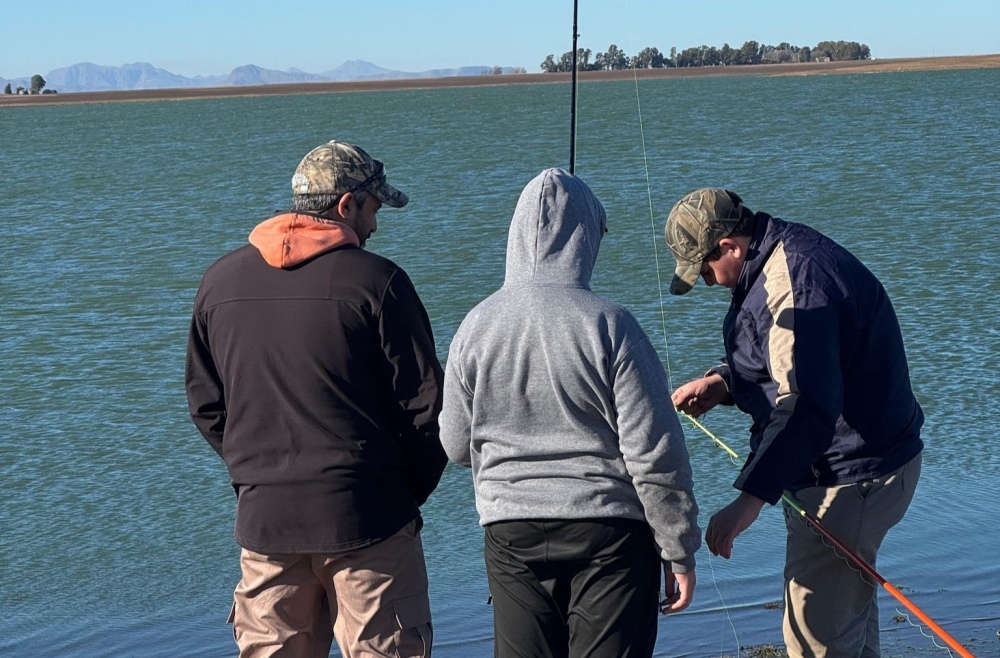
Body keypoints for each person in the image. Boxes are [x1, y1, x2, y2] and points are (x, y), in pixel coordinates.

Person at [185, 140, 446, 658]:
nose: (375, 225)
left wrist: (256, 471)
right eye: (373, 209)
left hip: (266, 523)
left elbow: (206, 404)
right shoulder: (380, 283)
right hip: (369, 521)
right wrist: (397, 495)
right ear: (347, 205)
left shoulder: (219, 282)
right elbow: (429, 412)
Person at [440, 168, 701, 658]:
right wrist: (677, 549)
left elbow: (455, 445)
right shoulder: (612, 324)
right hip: (610, 535)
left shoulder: (474, 325)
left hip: (509, 530)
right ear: (586, 238)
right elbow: (654, 453)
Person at [666, 188, 923, 658]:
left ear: (729, 247)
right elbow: (784, 354)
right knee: (845, 625)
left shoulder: (797, 280)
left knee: (815, 644)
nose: (707, 282)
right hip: (860, 466)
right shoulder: (773, 261)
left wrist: (747, 502)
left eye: (704, 270)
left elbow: (807, 405)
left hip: (851, 478)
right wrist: (724, 383)